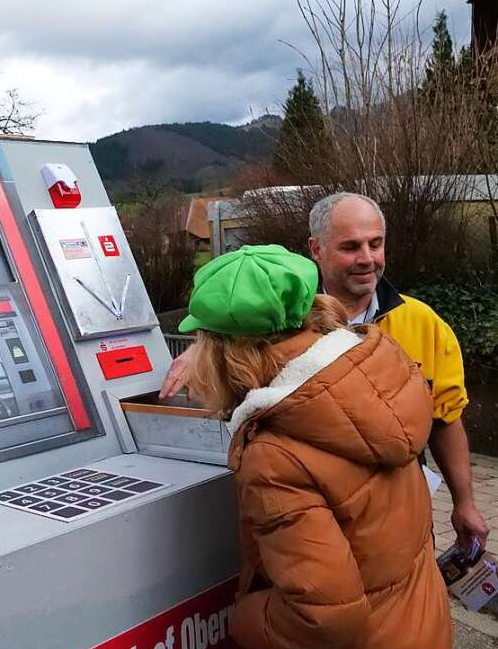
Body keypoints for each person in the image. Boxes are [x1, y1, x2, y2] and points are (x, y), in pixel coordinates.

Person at [180, 244, 474, 649]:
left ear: (223, 350)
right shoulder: (377, 378)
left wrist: (240, 620)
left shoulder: (274, 454)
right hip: (421, 645)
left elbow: (323, 617)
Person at [162, 192, 489, 552]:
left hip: (402, 515)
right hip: (311, 521)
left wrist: (465, 503)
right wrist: (205, 349)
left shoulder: (424, 324)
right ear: (316, 250)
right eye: (351, 246)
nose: (367, 259)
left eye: (375, 244)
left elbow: (446, 420)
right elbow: (233, 346)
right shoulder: (279, 324)